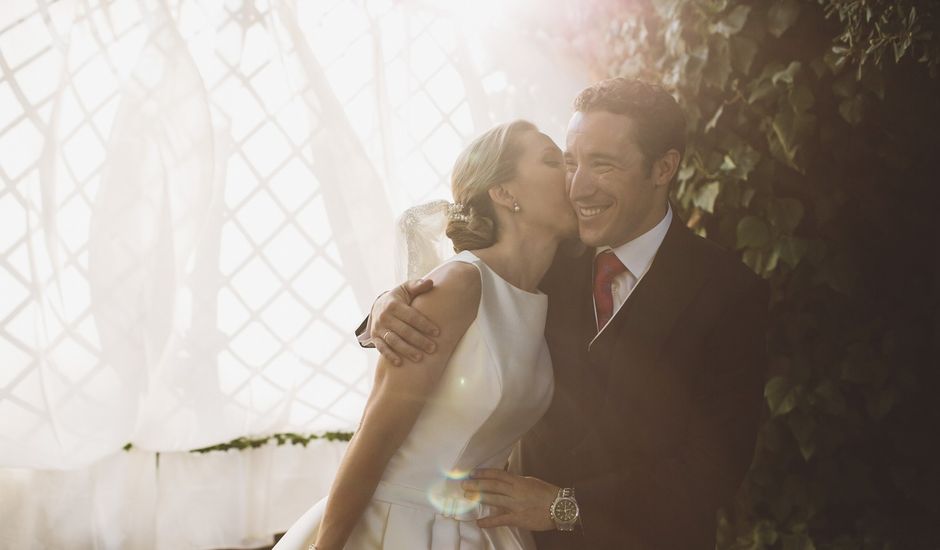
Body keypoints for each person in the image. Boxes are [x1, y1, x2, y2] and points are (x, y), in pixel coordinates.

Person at [361, 78, 770, 549]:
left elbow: (714, 470)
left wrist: (565, 506)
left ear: (662, 168)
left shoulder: (729, 291)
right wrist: (385, 306)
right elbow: (464, 279)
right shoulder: (547, 256)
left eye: (603, 165)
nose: (578, 187)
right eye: (571, 163)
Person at [273, 120, 578, 550]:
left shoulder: (550, 296)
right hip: (398, 529)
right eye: (553, 161)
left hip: (490, 534)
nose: (572, 175)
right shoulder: (460, 285)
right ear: (505, 193)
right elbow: (373, 438)